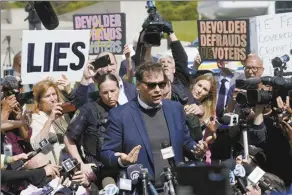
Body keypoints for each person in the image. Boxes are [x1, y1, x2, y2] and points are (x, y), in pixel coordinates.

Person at [101, 62, 208, 190]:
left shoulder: (175, 109)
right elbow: (106, 153)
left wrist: (196, 150)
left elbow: (185, 141)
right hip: (141, 188)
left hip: (174, 187)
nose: (158, 89)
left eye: (161, 84)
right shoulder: (120, 115)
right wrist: (122, 160)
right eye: (151, 85)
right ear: (138, 86)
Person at [65, 73, 121, 185]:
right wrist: (81, 164)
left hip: (120, 168)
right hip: (96, 171)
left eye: (113, 91)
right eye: (105, 92)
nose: (110, 96)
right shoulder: (88, 110)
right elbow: (68, 138)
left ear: (119, 89)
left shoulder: (125, 110)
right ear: (99, 92)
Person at [30, 80, 70, 165]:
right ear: (39, 102)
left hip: (71, 161)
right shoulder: (37, 117)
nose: (53, 99)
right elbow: (37, 145)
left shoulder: (64, 113)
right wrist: (50, 120)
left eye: (54, 94)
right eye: (47, 96)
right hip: (55, 166)